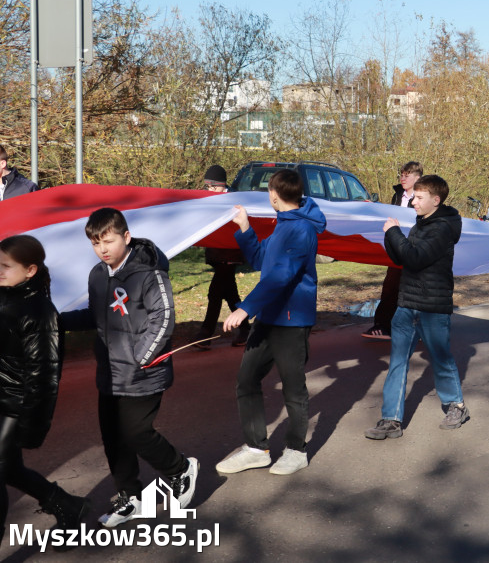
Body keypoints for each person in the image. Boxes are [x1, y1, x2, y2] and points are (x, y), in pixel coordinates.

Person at [60, 208, 198, 527]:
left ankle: (180, 470)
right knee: (113, 440)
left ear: (125, 236)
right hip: (109, 373)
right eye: (95, 244)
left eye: (107, 241)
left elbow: (163, 319)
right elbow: (96, 316)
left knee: (136, 433)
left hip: (143, 373)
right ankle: (129, 500)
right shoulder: (97, 274)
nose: (102, 249)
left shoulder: (149, 272)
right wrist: (56, 322)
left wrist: (141, 357)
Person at [216, 169, 326, 476]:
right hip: (269, 317)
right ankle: (256, 448)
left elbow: (281, 276)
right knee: (247, 379)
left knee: (293, 387)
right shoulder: (283, 224)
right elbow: (261, 261)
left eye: (268, 193)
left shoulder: (301, 229)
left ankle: (296, 450)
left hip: (291, 321)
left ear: (274, 195)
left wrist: (245, 308)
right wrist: (245, 229)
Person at [364, 175, 470, 435]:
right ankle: (391, 419)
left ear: (436, 200)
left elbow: (416, 257)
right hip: (407, 303)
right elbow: (402, 258)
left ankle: (456, 405)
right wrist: (391, 237)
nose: (413, 201)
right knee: (398, 361)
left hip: (432, 306)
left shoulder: (442, 227)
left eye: (419, 197)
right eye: (414, 196)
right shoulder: (421, 223)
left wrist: (393, 232)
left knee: (440, 357)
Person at [0, 235, 89, 532]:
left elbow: (43, 376)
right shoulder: (4, 296)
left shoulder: (39, 312)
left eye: (5, 266)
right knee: (9, 469)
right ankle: (67, 505)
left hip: (13, 407)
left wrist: (31, 426)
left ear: (30, 270)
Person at [363, 161, 423, 340]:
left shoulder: (423, 197)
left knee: (414, 290)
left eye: (407, 175)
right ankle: (382, 325)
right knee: (390, 287)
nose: (402, 178)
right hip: (396, 249)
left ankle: (419, 328)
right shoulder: (397, 196)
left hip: (415, 250)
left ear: (417, 178)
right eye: (401, 175)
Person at [196, 165, 249, 349]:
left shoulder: (233, 200)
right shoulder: (207, 199)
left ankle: (205, 334)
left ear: (223, 184)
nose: (210, 190)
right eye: (207, 186)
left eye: (214, 186)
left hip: (230, 253)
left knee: (215, 293)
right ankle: (245, 330)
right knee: (229, 293)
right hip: (217, 253)